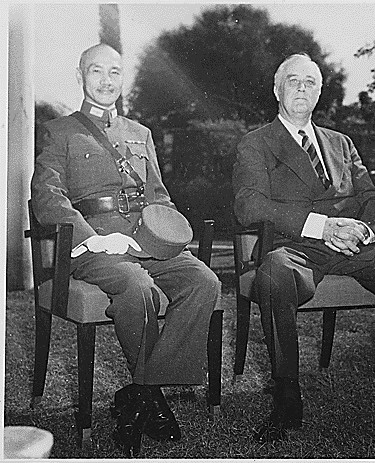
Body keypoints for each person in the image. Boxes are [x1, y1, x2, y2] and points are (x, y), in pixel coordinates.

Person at [232, 53, 375, 458]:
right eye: (293, 81)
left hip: (352, 247)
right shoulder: (256, 143)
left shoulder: (340, 142)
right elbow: (248, 205)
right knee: (274, 275)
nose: (302, 89)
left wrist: (365, 229)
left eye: (310, 83)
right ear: (276, 89)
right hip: (296, 247)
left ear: (320, 93)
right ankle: (287, 401)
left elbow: (371, 196)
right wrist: (323, 226)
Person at [31, 43, 221, 457]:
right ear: (81, 76)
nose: (106, 81)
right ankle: (151, 400)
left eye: (114, 72)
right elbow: (47, 196)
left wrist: (163, 235)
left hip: (144, 239)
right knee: (137, 285)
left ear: (123, 78)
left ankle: (140, 392)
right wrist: (91, 238)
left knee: (204, 280)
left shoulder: (140, 133)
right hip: (95, 245)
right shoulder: (59, 130)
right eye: (96, 71)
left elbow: (159, 196)